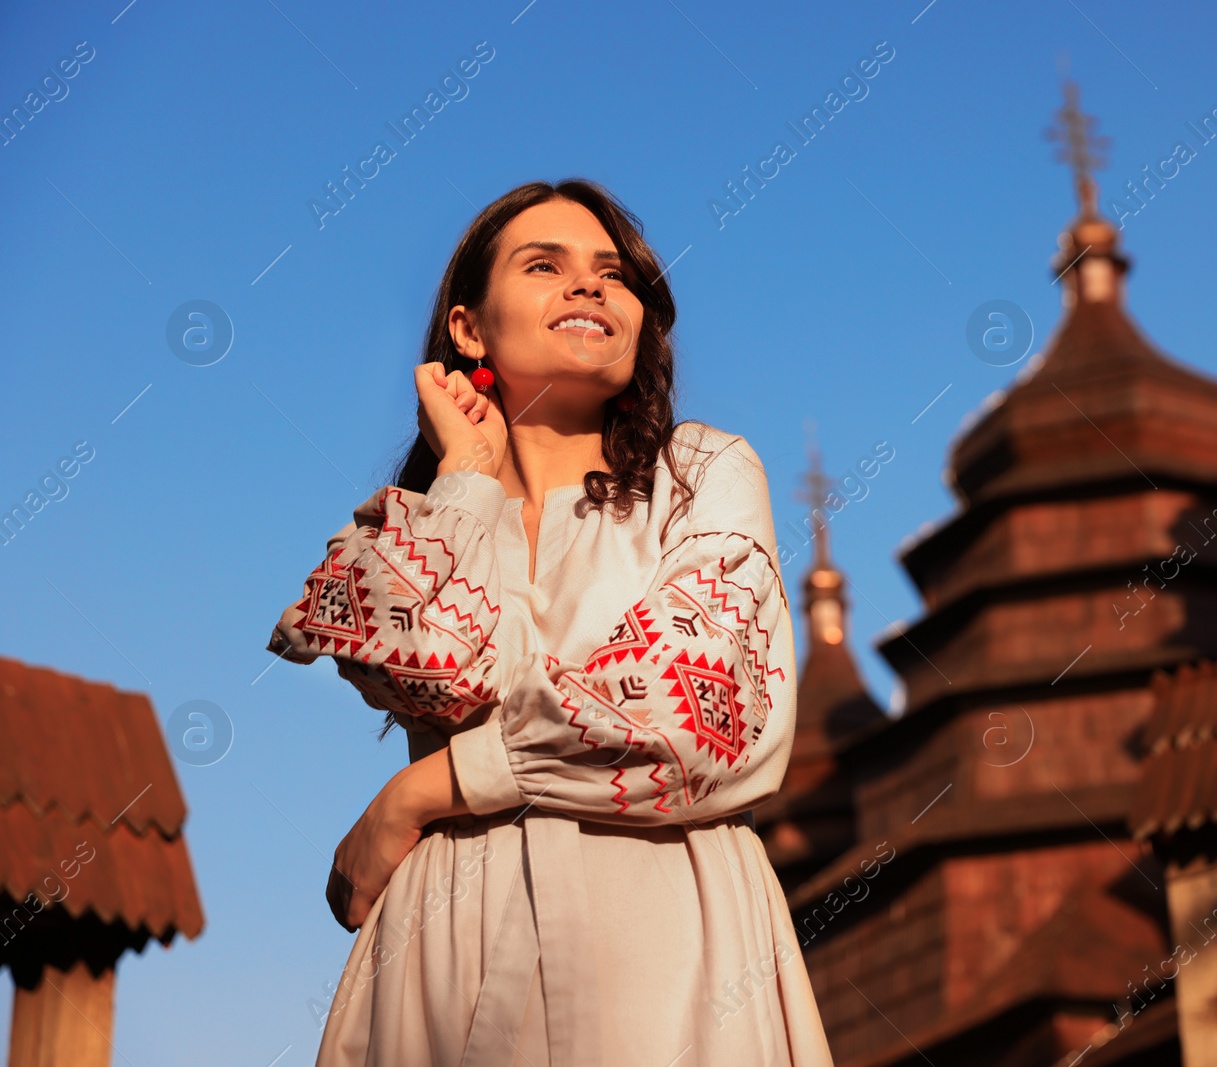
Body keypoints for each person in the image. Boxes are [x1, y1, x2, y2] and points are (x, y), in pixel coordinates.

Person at [266, 179, 834, 1066]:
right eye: (545, 265)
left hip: (669, 952)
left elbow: (693, 715)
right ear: (468, 328)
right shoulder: (407, 524)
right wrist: (467, 475)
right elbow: (429, 671)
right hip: (441, 961)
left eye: (614, 274)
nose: (589, 287)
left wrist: (418, 790)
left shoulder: (702, 475)